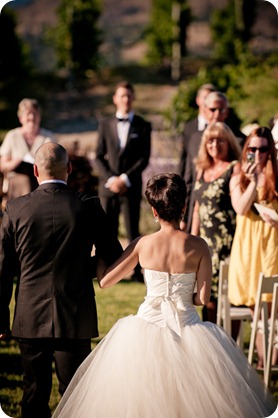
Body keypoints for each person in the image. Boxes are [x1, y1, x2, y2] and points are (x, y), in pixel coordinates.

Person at [52, 173, 276, 418]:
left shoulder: (143, 244)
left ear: (154, 211)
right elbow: (202, 298)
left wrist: (101, 252)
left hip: (146, 325)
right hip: (188, 327)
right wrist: (182, 295)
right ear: (183, 207)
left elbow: (105, 281)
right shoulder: (200, 246)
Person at [0, 143, 123, 418]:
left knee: (33, 394)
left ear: (35, 171)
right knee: (75, 395)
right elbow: (113, 254)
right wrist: (82, 267)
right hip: (75, 312)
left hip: (30, 314)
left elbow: (3, 268)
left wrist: (1, 319)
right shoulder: (89, 207)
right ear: (68, 168)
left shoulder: (16, 208)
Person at [228, 126, 278, 368]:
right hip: (247, 249)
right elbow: (239, 207)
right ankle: (263, 363)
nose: (257, 154)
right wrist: (254, 181)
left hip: (271, 247)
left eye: (263, 149)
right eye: (253, 148)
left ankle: (267, 363)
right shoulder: (239, 177)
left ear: (271, 151)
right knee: (255, 305)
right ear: (246, 149)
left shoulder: (277, 177)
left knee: (270, 303)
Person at [95, 81, 152, 282]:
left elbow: (144, 158)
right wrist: (112, 179)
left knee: (132, 230)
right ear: (115, 99)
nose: (126, 99)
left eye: (129, 95)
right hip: (108, 187)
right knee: (106, 231)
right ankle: (108, 269)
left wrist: (125, 179)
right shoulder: (105, 124)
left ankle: (137, 272)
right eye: (122, 96)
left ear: (133, 98)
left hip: (131, 186)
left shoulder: (143, 126)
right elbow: (98, 156)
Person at [191, 122, 241, 323]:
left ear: (229, 142)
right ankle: (210, 343)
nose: (215, 145)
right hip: (205, 244)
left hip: (227, 244)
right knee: (206, 297)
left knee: (229, 298)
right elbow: (196, 209)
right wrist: (192, 240)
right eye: (210, 141)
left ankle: (230, 346)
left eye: (220, 140)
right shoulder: (202, 169)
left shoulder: (235, 168)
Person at [181, 91, 246, 232]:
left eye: (221, 109)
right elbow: (188, 179)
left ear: (227, 112)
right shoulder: (194, 139)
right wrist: (183, 217)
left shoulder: (240, 140)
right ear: (204, 110)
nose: (217, 114)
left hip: (227, 216)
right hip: (197, 211)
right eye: (212, 109)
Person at [0, 98, 56, 202]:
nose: (32, 117)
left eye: (35, 113)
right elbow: (2, 165)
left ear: (39, 116)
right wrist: (15, 162)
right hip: (17, 189)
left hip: (40, 186)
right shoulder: (12, 136)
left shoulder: (48, 137)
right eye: (28, 114)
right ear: (21, 118)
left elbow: (55, 162)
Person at [178, 83, 217, 179]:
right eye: (205, 97)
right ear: (198, 100)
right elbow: (184, 156)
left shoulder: (219, 127)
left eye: (210, 98)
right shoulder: (189, 127)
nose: (207, 101)